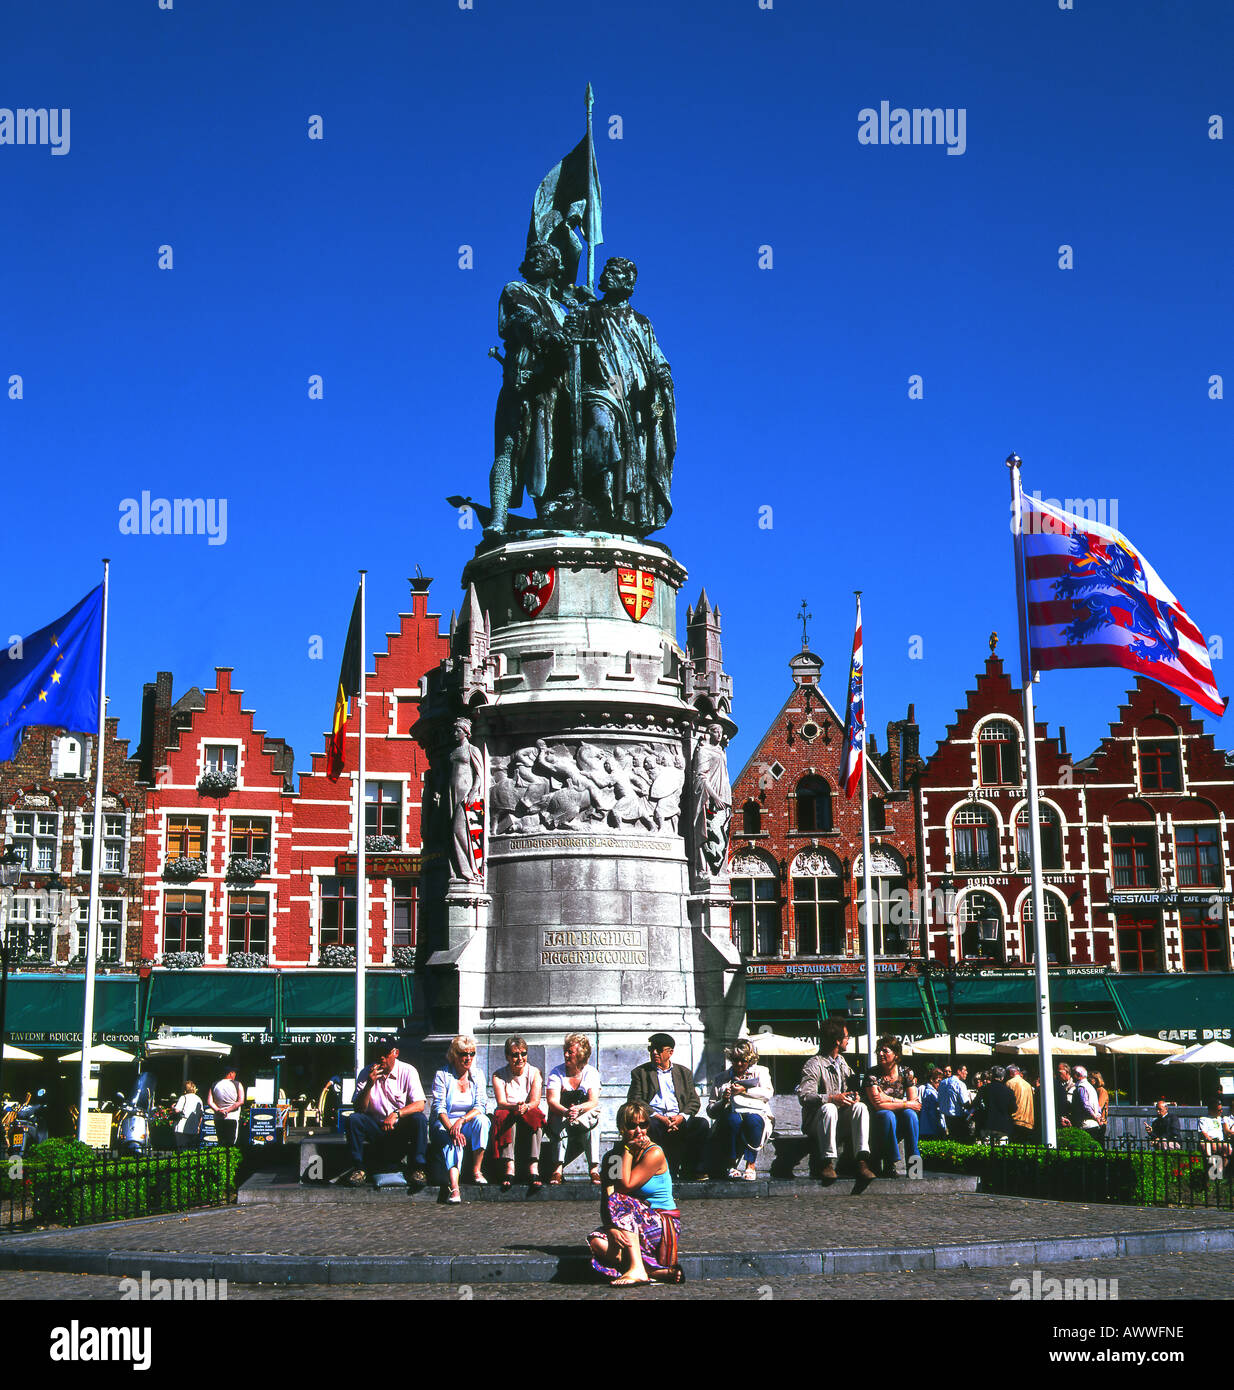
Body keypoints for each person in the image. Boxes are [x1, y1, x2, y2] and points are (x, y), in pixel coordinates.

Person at [571, 255, 675, 533]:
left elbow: (657, 358)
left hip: (636, 398)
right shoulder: (590, 313)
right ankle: (600, 499)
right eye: (605, 271)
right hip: (602, 389)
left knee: (638, 453)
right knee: (601, 427)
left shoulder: (641, 322)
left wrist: (662, 376)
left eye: (614, 272)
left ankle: (626, 510)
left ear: (629, 282)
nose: (606, 275)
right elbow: (572, 350)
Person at [487, 241, 571, 533]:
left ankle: (546, 511)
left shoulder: (563, 312)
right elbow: (521, 319)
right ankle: (498, 517)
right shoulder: (516, 290)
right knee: (510, 446)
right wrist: (545, 335)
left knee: (547, 450)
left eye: (544, 256)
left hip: (553, 388)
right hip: (521, 380)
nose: (536, 259)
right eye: (532, 255)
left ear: (557, 267)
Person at [588, 1102, 683, 1286]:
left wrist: (630, 1150)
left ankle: (638, 1269)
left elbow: (624, 1187)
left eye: (643, 1125)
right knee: (597, 1241)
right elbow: (608, 1195)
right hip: (630, 1223)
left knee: (621, 1197)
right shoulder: (615, 1157)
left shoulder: (653, 1153)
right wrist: (610, 1227)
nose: (639, 1131)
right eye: (632, 1126)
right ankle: (653, 1271)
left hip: (659, 1222)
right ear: (621, 1129)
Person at [796, 1017, 875, 1181]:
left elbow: (852, 1087)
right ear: (838, 1041)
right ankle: (827, 1162)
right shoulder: (814, 1064)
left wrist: (854, 1096)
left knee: (860, 1107)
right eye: (846, 1037)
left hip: (839, 1121)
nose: (848, 1040)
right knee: (829, 1107)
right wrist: (831, 1098)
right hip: (817, 1123)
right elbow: (805, 1096)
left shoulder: (843, 1063)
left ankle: (861, 1160)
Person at [345, 1037, 429, 1186]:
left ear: (395, 1053)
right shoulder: (366, 1073)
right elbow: (359, 1109)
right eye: (378, 1053)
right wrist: (369, 1086)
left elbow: (420, 1104)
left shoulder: (408, 1071)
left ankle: (418, 1168)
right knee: (354, 1119)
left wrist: (397, 1114)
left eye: (385, 1053)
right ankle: (358, 1168)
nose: (381, 1058)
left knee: (419, 1118)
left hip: (399, 1127)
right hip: (376, 1126)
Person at [626, 1032, 710, 1181]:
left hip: (678, 1117)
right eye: (651, 1049)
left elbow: (694, 1101)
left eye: (659, 1049)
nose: (654, 1053)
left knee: (701, 1124)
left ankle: (694, 1169)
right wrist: (660, 1117)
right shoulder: (641, 1073)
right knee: (653, 1126)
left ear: (670, 1052)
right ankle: (663, 1170)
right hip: (654, 1117)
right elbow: (635, 1099)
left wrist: (681, 1117)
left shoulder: (684, 1073)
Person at [430, 1035, 490, 1203]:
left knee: (483, 1120)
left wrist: (462, 1120)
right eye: (464, 1054)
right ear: (454, 1055)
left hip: (466, 1122)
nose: (468, 1058)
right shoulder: (442, 1075)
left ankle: (477, 1170)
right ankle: (454, 1187)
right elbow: (439, 1108)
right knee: (453, 1141)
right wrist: (452, 1128)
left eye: (472, 1053)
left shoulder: (477, 1075)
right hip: (445, 1123)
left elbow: (480, 1106)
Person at [710, 1039, 773, 1179]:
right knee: (732, 1120)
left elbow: (768, 1094)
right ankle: (731, 1164)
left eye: (743, 1060)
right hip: (731, 1115)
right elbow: (711, 1110)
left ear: (750, 1060)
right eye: (736, 1060)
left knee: (753, 1120)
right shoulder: (721, 1078)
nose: (739, 1064)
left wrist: (744, 1090)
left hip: (757, 1113)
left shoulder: (761, 1072)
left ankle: (751, 1164)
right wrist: (723, 1101)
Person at [546, 1033, 603, 1184]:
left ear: (580, 1054)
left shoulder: (591, 1072)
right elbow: (552, 1101)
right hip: (562, 1112)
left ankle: (594, 1169)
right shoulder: (556, 1073)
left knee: (594, 1122)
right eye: (565, 1051)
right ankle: (557, 1169)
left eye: (570, 1052)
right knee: (559, 1118)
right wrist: (566, 1111)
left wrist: (578, 1109)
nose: (566, 1055)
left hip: (582, 1114)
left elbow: (593, 1101)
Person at [491, 1035, 545, 1191]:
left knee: (536, 1116)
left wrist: (525, 1107)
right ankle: (510, 1166)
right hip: (509, 1108)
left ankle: (533, 1166)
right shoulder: (498, 1075)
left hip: (526, 1107)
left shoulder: (534, 1073)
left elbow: (535, 1100)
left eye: (523, 1053)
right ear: (508, 1057)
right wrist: (515, 1107)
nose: (520, 1058)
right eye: (515, 1055)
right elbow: (501, 1102)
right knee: (504, 1116)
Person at [863, 1036, 921, 1178]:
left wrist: (888, 1099)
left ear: (896, 1054)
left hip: (900, 1119)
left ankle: (915, 1165)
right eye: (878, 1051)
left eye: (885, 1051)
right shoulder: (872, 1075)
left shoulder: (906, 1073)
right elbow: (878, 1105)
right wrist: (904, 1103)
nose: (880, 1054)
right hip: (878, 1122)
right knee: (886, 1114)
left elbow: (915, 1104)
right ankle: (890, 1162)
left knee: (910, 1115)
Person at [207, 1067, 245, 1147]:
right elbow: (241, 1101)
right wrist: (227, 1110)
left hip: (218, 1117)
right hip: (232, 1117)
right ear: (230, 1073)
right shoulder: (237, 1084)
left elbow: (209, 1102)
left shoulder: (214, 1084)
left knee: (221, 1141)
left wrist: (218, 1110)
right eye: (234, 1073)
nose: (235, 1075)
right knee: (231, 1142)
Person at [938, 1063, 974, 1142]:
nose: (967, 1072)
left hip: (946, 1118)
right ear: (959, 1071)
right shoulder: (960, 1084)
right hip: (958, 1119)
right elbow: (965, 1103)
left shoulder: (942, 1083)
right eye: (965, 1070)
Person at [980, 1066, 1016, 1141]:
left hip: (987, 1124)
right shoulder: (1009, 1092)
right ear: (1002, 1078)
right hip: (1003, 1126)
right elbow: (1013, 1109)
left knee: (986, 1150)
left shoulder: (984, 1089)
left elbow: (976, 1104)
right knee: (1002, 1150)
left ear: (992, 1076)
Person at [1070, 1066, 1103, 1141]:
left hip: (1085, 1124)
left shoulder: (1081, 1087)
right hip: (1094, 1124)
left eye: (1073, 1074)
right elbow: (1097, 1106)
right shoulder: (1091, 1087)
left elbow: (1085, 1105)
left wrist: (1094, 1116)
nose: (1072, 1076)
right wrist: (1098, 1116)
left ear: (1078, 1075)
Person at [1005, 1064, 1036, 1143]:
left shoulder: (1009, 1083)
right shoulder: (1028, 1085)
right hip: (1029, 1122)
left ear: (1010, 1073)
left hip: (1015, 1121)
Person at [171, 1081, 203, 1152]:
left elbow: (177, 1110)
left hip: (182, 1128)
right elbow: (200, 1115)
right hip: (193, 1127)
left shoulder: (183, 1097)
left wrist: (173, 1107)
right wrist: (198, 1126)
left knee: (182, 1149)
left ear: (185, 1089)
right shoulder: (199, 1099)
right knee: (191, 1150)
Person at [917, 1067, 947, 1140]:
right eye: (938, 1081)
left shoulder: (933, 1092)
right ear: (931, 1080)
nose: (940, 1083)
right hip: (930, 1130)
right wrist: (940, 1127)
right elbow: (933, 1113)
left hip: (930, 1129)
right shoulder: (929, 1093)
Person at [1090, 1070, 1111, 1146]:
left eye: (1091, 1078)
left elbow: (1100, 1105)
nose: (1090, 1080)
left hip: (1101, 1120)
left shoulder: (1102, 1091)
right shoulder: (1094, 1090)